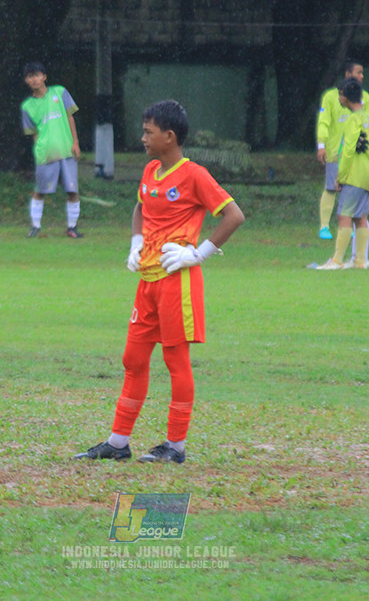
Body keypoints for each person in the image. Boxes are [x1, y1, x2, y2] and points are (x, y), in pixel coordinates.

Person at [74, 100, 245, 464]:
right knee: (133, 359)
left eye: (149, 132)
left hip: (177, 282)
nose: (143, 138)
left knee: (175, 361)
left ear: (169, 137)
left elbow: (234, 215)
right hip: (148, 281)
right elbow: (140, 207)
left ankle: (175, 447)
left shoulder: (195, 175)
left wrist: (198, 254)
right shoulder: (151, 169)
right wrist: (137, 242)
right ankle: (118, 442)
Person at [313, 79, 369, 270]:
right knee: (361, 217)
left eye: (340, 94)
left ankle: (337, 260)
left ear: (346, 96)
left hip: (354, 175)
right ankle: (360, 261)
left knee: (344, 216)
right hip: (368, 174)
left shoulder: (352, 120)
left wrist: (340, 176)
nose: (338, 97)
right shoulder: (367, 118)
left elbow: (348, 150)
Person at [20, 62, 83, 238]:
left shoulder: (60, 93)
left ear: (44, 77)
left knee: (72, 190)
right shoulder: (27, 106)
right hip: (46, 153)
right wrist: (40, 148)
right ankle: (35, 226)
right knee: (40, 190)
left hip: (66, 149)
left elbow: (70, 117)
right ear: (26, 80)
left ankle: (72, 227)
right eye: (30, 76)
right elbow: (33, 133)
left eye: (37, 75)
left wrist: (75, 142)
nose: (34, 79)